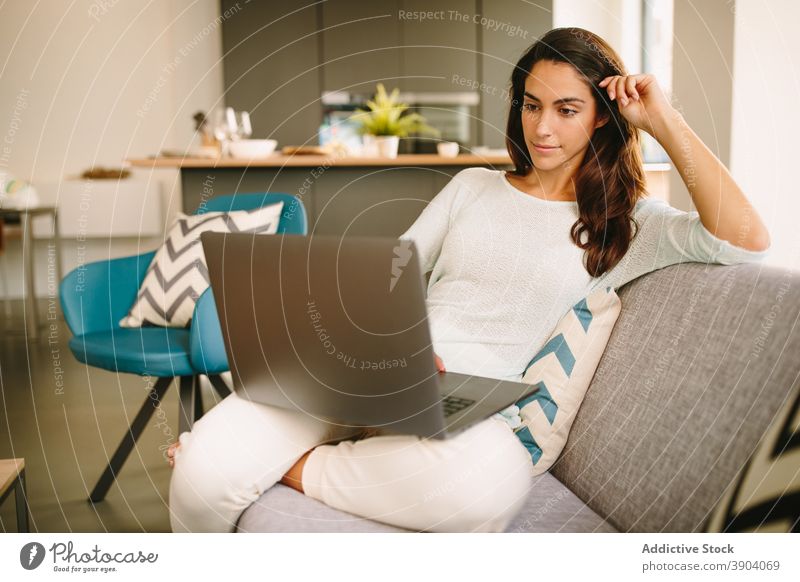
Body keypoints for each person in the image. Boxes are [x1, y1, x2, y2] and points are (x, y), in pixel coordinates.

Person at [167, 27, 770, 533]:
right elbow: (389, 277)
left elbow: (744, 241)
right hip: (374, 375)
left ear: (605, 119)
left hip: (469, 417)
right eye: (532, 104)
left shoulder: (628, 224)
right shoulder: (473, 186)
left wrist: (663, 120)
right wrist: (378, 340)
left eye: (567, 110)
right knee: (200, 472)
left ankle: (300, 468)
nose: (542, 129)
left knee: (487, 483)